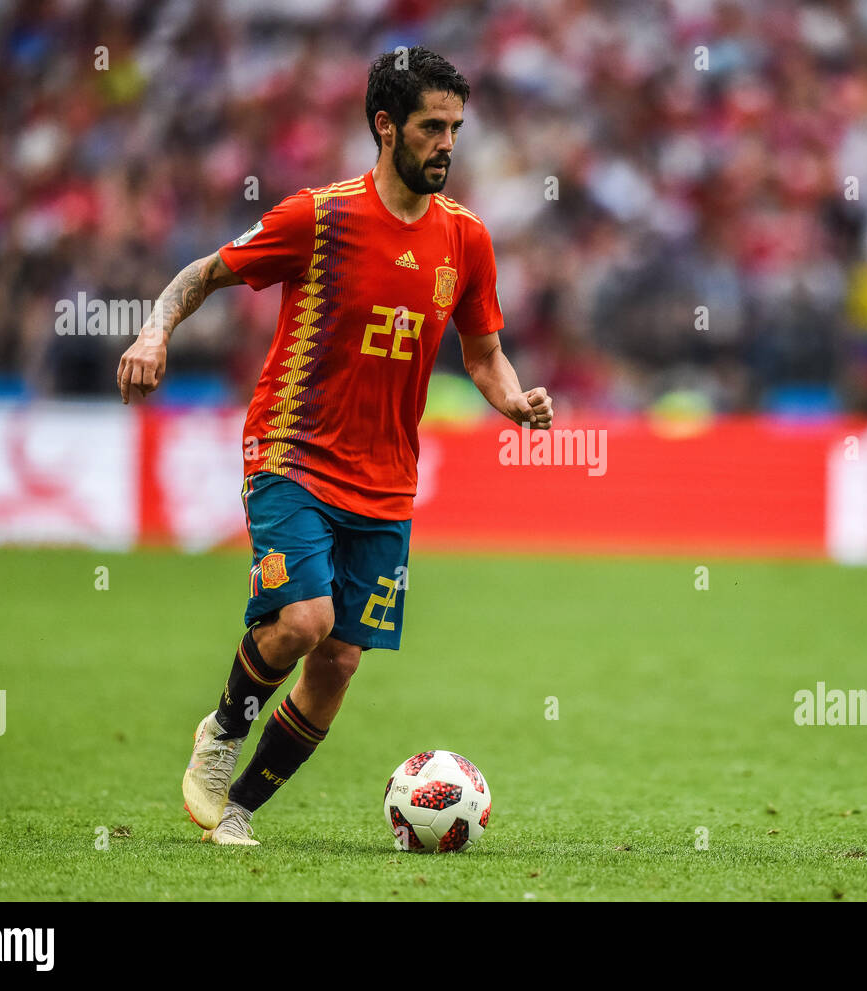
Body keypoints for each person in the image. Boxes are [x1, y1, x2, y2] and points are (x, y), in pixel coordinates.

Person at [116, 47, 553, 845]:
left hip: (387, 481)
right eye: (431, 126)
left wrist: (514, 399)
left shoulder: (467, 240)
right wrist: (154, 328)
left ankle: (239, 808)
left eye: (456, 126)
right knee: (304, 619)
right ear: (386, 127)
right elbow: (206, 273)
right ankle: (220, 732)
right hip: (293, 454)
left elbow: (485, 356)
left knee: (339, 663)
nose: (447, 142)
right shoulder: (319, 218)